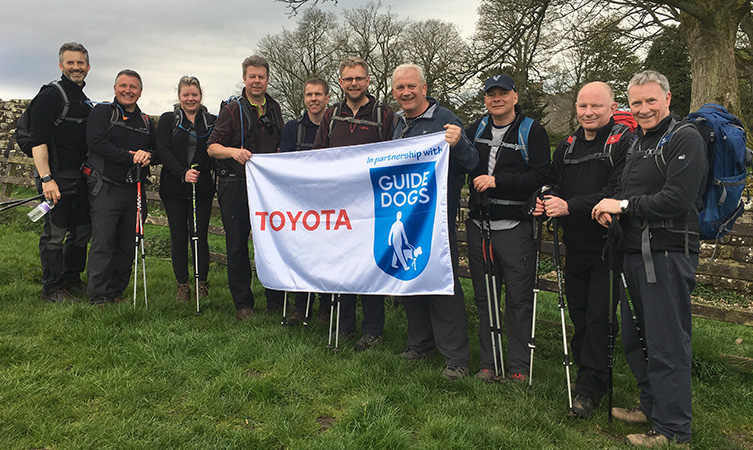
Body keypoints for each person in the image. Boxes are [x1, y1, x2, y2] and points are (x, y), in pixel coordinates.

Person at [592, 70, 705, 447]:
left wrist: (622, 205)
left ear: (668, 99)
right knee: (635, 337)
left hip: (667, 254)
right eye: (637, 102)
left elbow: (677, 198)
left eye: (650, 101)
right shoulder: (638, 141)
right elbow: (625, 190)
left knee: (666, 343)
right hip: (633, 252)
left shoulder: (684, 137)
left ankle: (674, 430)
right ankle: (651, 406)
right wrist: (612, 209)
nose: (643, 109)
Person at [534, 81, 632, 417]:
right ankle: (585, 376)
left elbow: (616, 191)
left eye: (596, 107)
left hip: (608, 248)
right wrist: (545, 200)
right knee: (579, 317)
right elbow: (553, 182)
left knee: (599, 319)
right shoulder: (568, 145)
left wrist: (568, 206)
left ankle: (590, 390)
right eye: (582, 106)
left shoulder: (623, 142)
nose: (588, 113)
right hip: (574, 246)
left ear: (612, 107)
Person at [391, 64, 477, 381]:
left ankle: (456, 359)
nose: (406, 93)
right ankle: (420, 344)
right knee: (412, 281)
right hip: (404, 218)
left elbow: (470, 163)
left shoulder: (446, 120)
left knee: (444, 287)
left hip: (437, 222)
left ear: (424, 88)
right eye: (400, 88)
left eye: (411, 86)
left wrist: (459, 143)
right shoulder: (397, 124)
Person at [465, 74, 551, 382]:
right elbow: (460, 160)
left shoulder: (533, 131)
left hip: (515, 228)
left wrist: (498, 181)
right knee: (485, 297)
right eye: (491, 94)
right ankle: (488, 363)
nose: (496, 98)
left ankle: (518, 366)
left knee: (518, 298)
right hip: (479, 226)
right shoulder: (475, 129)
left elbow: (542, 174)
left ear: (515, 97)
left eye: (503, 93)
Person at [313, 57, 395, 351]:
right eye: (348, 79)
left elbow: (395, 154)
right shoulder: (331, 115)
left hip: (372, 205)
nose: (354, 84)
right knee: (342, 264)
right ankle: (343, 325)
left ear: (368, 81)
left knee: (370, 266)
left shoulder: (384, 114)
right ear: (340, 83)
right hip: (338, 205)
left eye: (359, 78)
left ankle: (373, 330)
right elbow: (318, 155)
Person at [207, 55, 284, 321]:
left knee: (272, 243)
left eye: (261, 77)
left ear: (267, 79)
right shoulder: (231, 109)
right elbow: (212, 147)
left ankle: (276, 298)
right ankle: (243, 303)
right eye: (252, 76)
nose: (256, 81)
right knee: (237, 245)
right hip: (235, 185)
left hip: (267, 189)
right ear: (244, 79)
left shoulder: (274, 108)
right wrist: (232, 151)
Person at [28, 42, 93, 303]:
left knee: (81, 231)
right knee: (55, 233)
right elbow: (37, 140)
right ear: (61, 66)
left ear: (88, 67)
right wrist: (46, 179)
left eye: (80, 63)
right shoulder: (50, 96)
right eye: (70, 63)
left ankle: (71, 278)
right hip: (54, 178)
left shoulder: (84, 101)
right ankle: (52, 288)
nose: (76, 67)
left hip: (78, 179)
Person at [85, 69, 155, 305]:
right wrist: (130, 157)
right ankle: (98, 295)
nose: (128, 91)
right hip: (106, 187)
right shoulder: (103, 112)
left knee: (128, 243)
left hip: (134, 189)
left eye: (133, 87)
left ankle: (116, 291)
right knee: (103, 242)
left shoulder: (146, 121)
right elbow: (96, 143)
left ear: (141, 91)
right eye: (123, 86)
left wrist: (148, 156)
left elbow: (156, 151)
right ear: (115, 88)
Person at [155, 76, 216, 302]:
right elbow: (162, 149)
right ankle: (183, 284)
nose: (190, 99)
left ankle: (202, 282)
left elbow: (215, 148)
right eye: (186, 95)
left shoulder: (211, 121)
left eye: (194, 95)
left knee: (199, 236)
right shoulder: (168, 119)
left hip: (202, 189)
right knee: (178, 237)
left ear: (201, 95)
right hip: (173, 188)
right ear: (179, 96)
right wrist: (182, 173)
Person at [280, 78, 331, 326]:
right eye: (309, 94)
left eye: (318, 94)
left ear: (327, 98)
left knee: (326, 254)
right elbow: (285, 162)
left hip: (329, 200)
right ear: (304, 98)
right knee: (300, 253)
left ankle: (326, 305)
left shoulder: (335, 125)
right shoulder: (292, 128)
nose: (313, 99)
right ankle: (300, 306)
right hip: (299, 201)